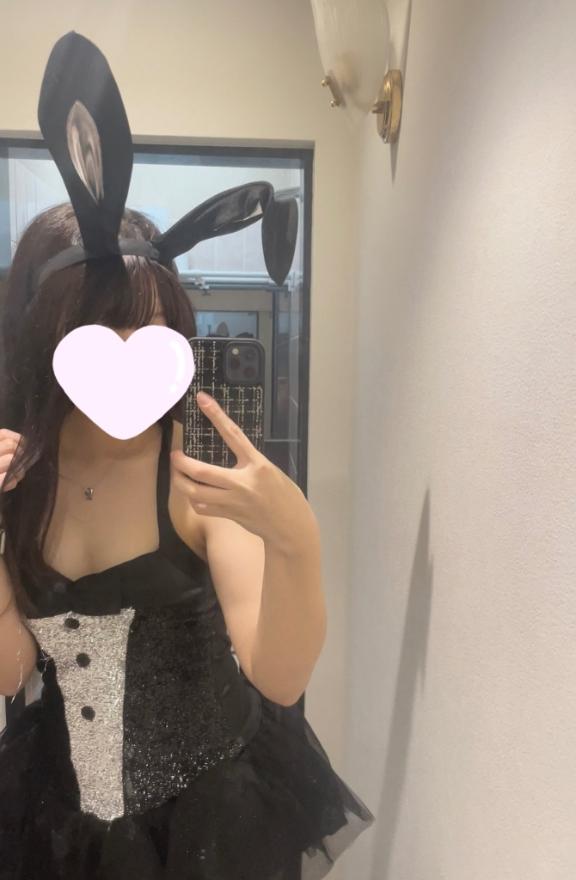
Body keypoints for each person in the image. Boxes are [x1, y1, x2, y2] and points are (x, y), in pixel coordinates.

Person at [0, 30, 375, 880]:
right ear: (45, 342)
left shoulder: (195, 481)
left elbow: (277, 676)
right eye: (104, 336)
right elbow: (12, 669)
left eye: (155, 335)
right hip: (57, 822)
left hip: (211, 823)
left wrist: (296, 538)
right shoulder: (23, 481)